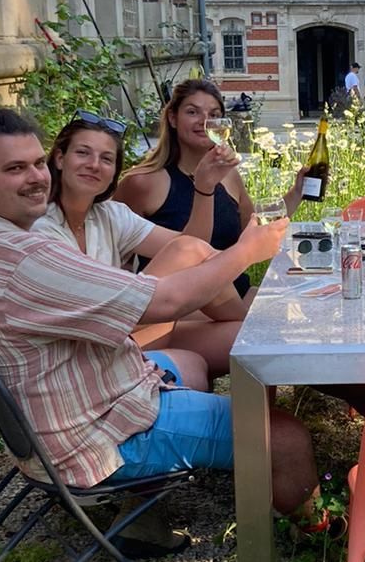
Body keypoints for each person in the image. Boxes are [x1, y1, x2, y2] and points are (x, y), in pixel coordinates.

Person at [0, 100, 321, 539]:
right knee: (287, 437)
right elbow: (161, 302)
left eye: (35, 164)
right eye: (15, 169)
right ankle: (323, 539)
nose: (35, 179)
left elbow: (183, 256)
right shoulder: (27, 256)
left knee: (191, 364)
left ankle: (145, 521)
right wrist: (247, 252)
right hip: (92, 435)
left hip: (76, 397)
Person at [33, 112, 247, 384]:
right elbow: (190, 252)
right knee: (190, 254)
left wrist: (204, 187)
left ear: (114, 171)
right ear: (60, 159)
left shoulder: (109, 215)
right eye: (83, 153)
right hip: (87, 351)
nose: (94, 165)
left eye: (106, 159)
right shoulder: (43, 229)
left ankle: (251, 332)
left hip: (128, 332)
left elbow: (195, 245)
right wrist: (242, 255)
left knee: (245, 338)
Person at [115, 79, 305, 306]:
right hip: (181, 308)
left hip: (233, 296)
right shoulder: (143, 182)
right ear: (173, 118)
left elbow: (255, 230)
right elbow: (118, 258)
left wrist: (297, 191)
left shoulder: (229, 176)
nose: (205, 121)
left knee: (303, 305)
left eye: (214, 114)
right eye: (193, 112)